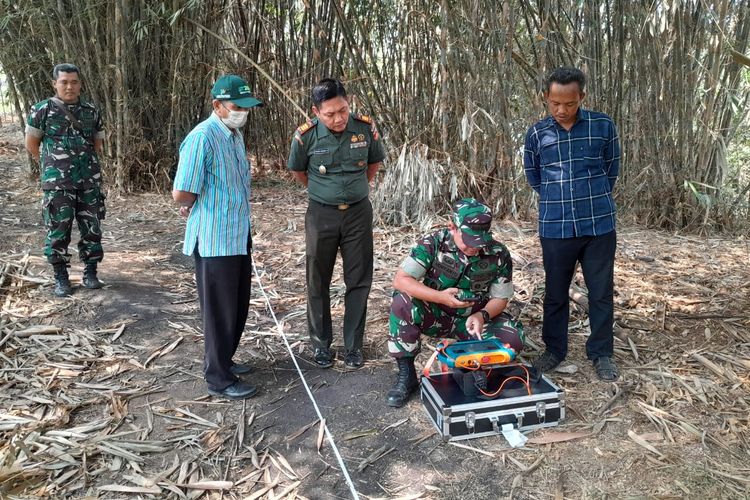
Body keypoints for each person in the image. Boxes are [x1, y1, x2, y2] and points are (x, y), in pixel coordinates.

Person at [523, 66, 621, 381]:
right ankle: (554, 349)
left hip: (598, 226)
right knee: (555, 292)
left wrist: (588, 197)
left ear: (582, 97)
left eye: (570, 103)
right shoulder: (538, 133)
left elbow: (611, 170)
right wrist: (559, 199)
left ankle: (602, 353)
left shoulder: (603, 126)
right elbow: (534, 176)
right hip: (556, 226)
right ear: (546, 99)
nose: (562, 110)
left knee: (601, 292)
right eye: (555, 103)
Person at [172, 74, 262, 400]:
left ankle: (226, 360)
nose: (242, 113)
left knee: (237, 307)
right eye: (237, 106)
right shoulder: (203, 137)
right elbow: (182, 192)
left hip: (237, 235)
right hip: (214, 240)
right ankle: (218, 378)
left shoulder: (233, 135)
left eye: (246, 107)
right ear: (217, 105)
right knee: (219, 311)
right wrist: (191, 205)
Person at [386, 198, 524, 407]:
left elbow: (500, 298)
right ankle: (407, 377)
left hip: (471, 321)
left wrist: (482, 315)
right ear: (453, 227)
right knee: (402, 302)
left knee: (512, 337)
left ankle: (468, 366)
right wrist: (440, 297)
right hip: (435, 314)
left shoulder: (498, 253)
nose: (475, 248)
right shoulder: (433, 243)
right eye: (469, 241)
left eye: (481, 242)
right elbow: (401, 280)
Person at [287, 78, 385, 369]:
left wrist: (353, 191)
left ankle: (353, 346)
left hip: (357, 214)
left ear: (348, 101)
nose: (338, 118)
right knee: (317, 280)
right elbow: (298, 171)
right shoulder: (305, 137)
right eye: (329, 114)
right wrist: (325, 192)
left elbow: (372, 165)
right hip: (321, 215)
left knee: (358, 280)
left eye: (342, 110)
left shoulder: (365, 128)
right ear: (315, 112)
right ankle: (321, 345)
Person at [25, 63, 106, 297]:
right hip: (57, 184)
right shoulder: (43, 109)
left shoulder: (91, 111)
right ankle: (61, 277)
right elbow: (32, 145)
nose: (69, 86)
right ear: (55, 84)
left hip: (89, 181)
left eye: (74, 82)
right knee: (58, 230)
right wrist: (53, 163)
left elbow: (97, 144)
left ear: (80, 84)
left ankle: (90, 272)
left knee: (92, 228)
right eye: (64, 82)